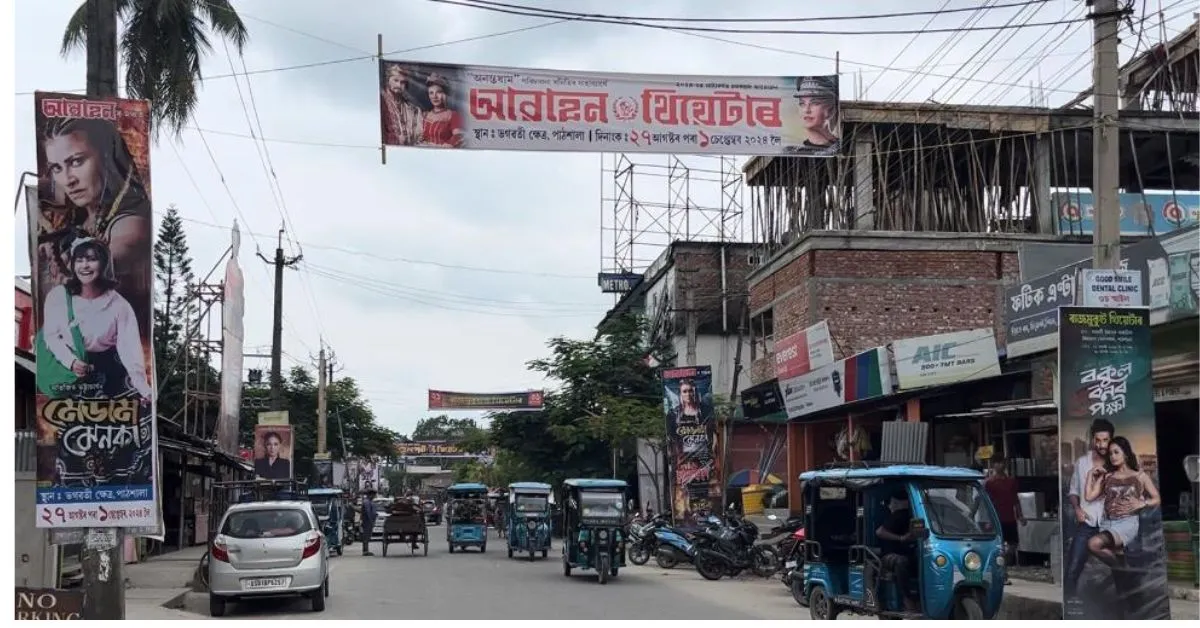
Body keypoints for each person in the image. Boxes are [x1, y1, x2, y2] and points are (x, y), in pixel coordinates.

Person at [39, 116, 152, 332]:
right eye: (57, 168)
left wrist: (58, 264)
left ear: (107, 157)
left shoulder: (131, 223)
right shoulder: (76, 221)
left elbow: (105, 267)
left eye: (76, 161)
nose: (68, 179)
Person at [42, 237, 152, 400]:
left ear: (103, 264)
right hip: (64, 374)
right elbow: (51, 336)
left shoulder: (119, 305)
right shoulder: (58, 297)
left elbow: (130, 351)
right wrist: (70, 361)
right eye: (79, 260)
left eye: (92, 259)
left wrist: (145, 389)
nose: (85, 266)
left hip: (106, 378)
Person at [1085, 436, 1161, 565]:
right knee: (1117, 556)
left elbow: (1157, 498)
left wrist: (1143, 503)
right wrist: (1090, 475)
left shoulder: (1139, 476)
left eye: (1116, 452)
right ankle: (1125, 576)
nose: (1112, 456)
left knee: (1094, 544)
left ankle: (1125, 570)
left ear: (1125, 454)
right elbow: (1089, 497)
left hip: (1127, 523)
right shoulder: (1107, 476)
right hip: (1107, 523)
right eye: (1110, 454)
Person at [1065, 419, 1114, 595]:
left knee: (1122, 567)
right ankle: (1072, 608)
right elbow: (1073, 491)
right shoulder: (1082, 463)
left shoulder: (1116, 461)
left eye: (1105, 440)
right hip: (1087, 522)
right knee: (1073, 568)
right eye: (1098, 440)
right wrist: (1077, 509)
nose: (1101, 444)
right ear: (1093, 440)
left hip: (1112, 524)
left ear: (1111, 440)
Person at [874, 489, 919, 612]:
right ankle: (907, 599)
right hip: (889, 555)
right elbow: (880, 532)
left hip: (910, 552)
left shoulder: (918, 516)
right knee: (901, 562)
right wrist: (900, 538)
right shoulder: (900, 515)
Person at [984, 458, 1024, 585]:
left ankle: (1000, 567)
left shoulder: (1011, 481)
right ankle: (1002, 575)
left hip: (1010, 518)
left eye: (1001, 462)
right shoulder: (989, 483)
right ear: (993, 465)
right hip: (996, 519)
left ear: (1005, 464)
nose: (999, 464)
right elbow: (987, 503)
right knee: (999, 547)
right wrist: (988, 519)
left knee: (1012, 546)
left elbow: (1015, 500)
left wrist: (1020, 516)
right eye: (997, 462)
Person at [785, 76, 841, 156]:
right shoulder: (792, 152)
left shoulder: (842, 147)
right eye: (802, 104)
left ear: (830, 110)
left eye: (815, 103)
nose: (807, 110)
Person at [380, 64, 424, 146]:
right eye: (395, 80)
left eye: (402, 82)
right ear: (388, 80)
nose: (399, 85)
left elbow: (419, 138)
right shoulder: (381, 103)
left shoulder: (414, 110)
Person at [420, 72, 465, 148]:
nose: (434, 96)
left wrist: (445, 146)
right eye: (431, 93)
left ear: (445, 94)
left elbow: (458, 136)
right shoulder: (424, 115)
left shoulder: (452, 115)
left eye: (439, 92)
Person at [361, 490, 379, 556]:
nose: (374, 496)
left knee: (367, 536)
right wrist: (371, 521)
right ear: (370, 495)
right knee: (366, 536)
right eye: (374, 495)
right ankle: (365, 551)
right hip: (367, 522)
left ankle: (366, 550)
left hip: (369, 521)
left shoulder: (370, 502)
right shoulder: (367, 502)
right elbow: (368, 513)